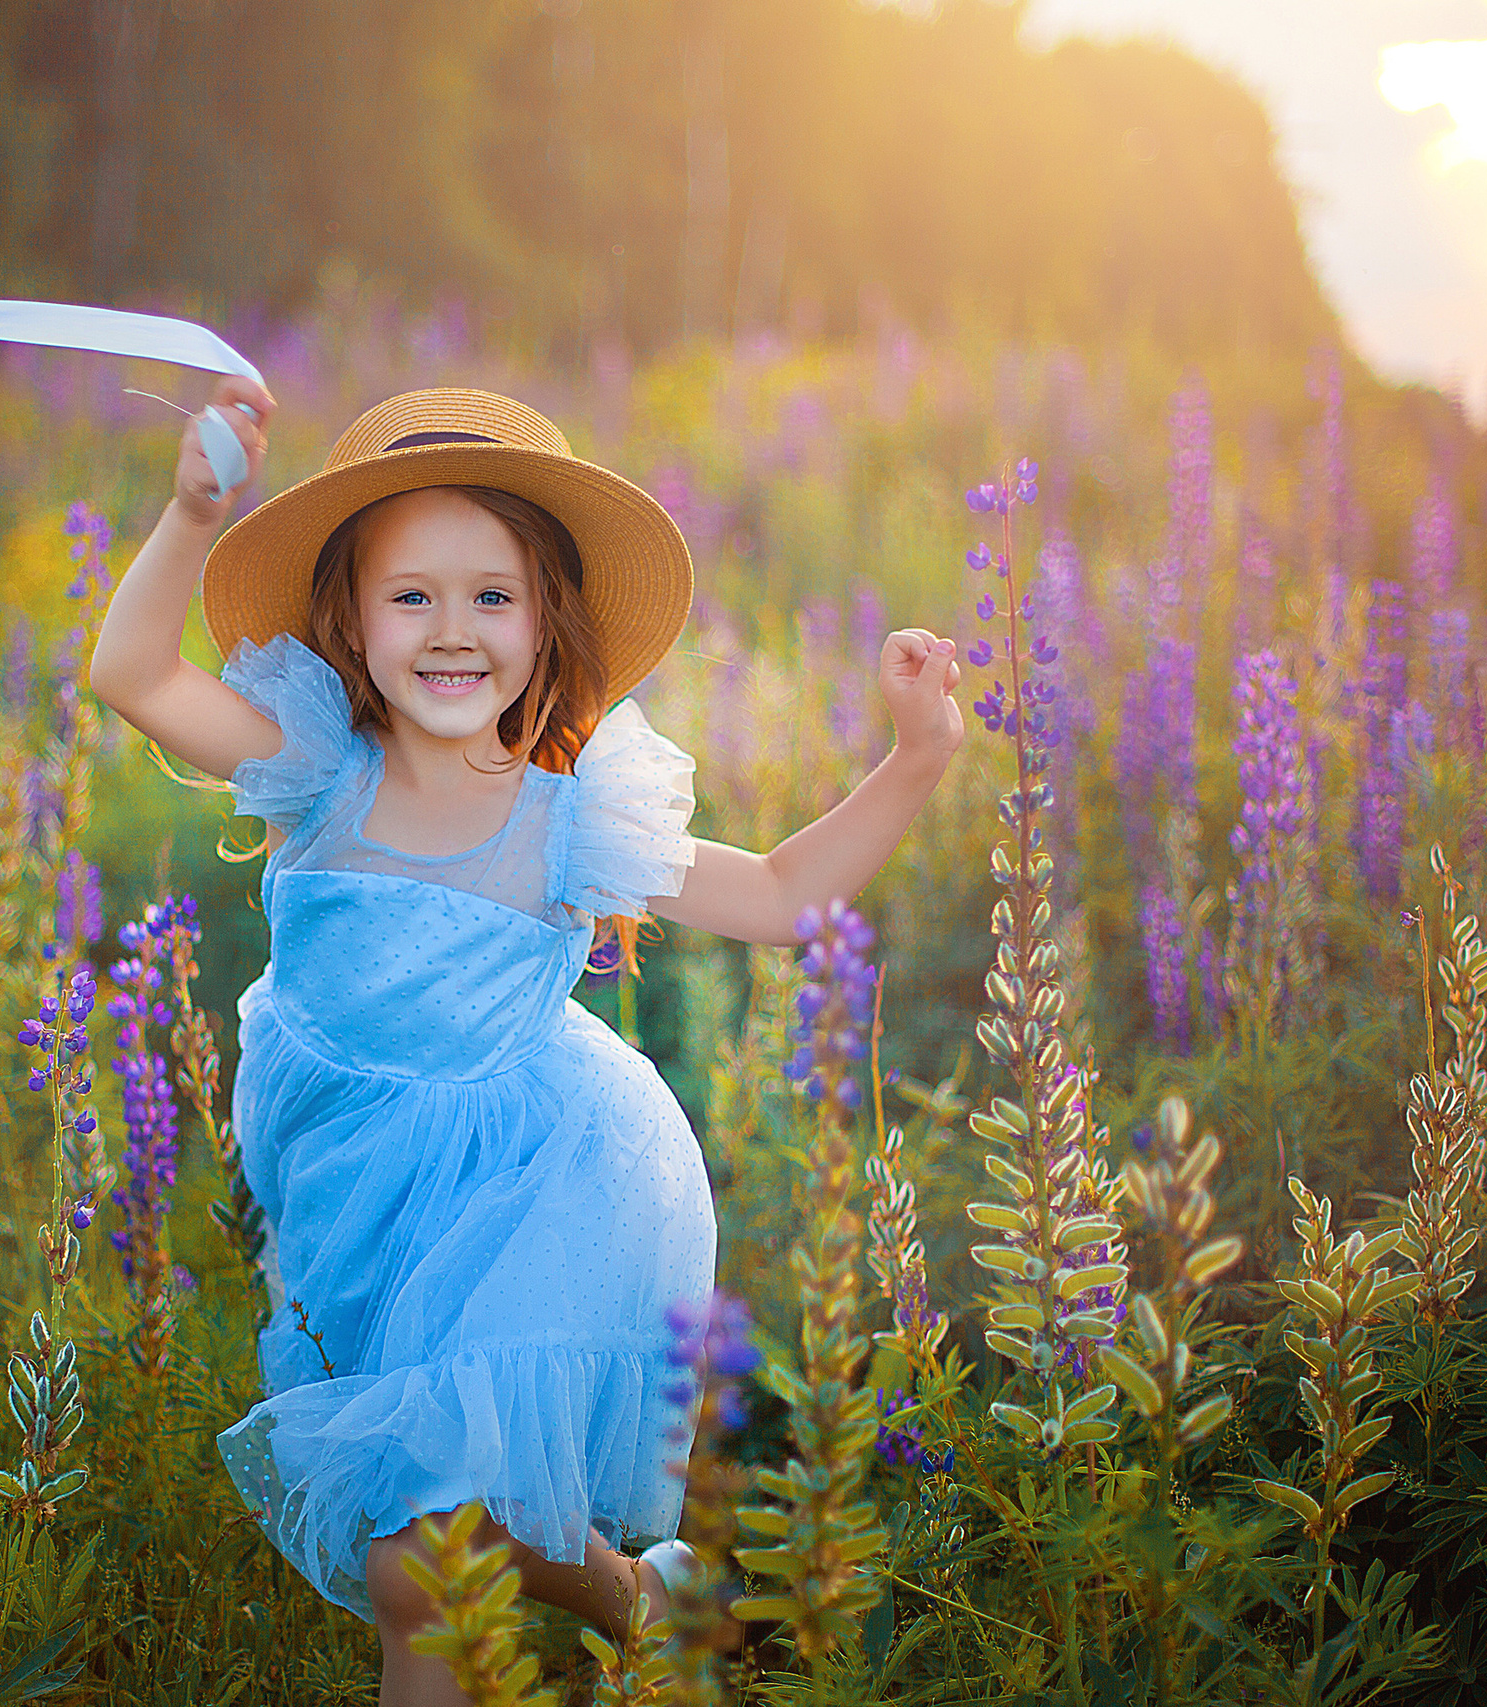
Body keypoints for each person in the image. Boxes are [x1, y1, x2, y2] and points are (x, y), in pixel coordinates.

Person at [87, 378, 967, 1705]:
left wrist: (916, 755)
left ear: (550, 619)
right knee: (464, 1517)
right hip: (356, 1188)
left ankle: (604, 1601)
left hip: (542, 1190)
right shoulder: (320, 767)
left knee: (416, 1561)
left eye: (492, 595)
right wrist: (193, 509)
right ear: (351, 618)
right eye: (412, 596)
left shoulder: (571, 820)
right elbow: (131, 673)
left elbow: (785, 898)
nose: (453, 632)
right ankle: (642, 1599)